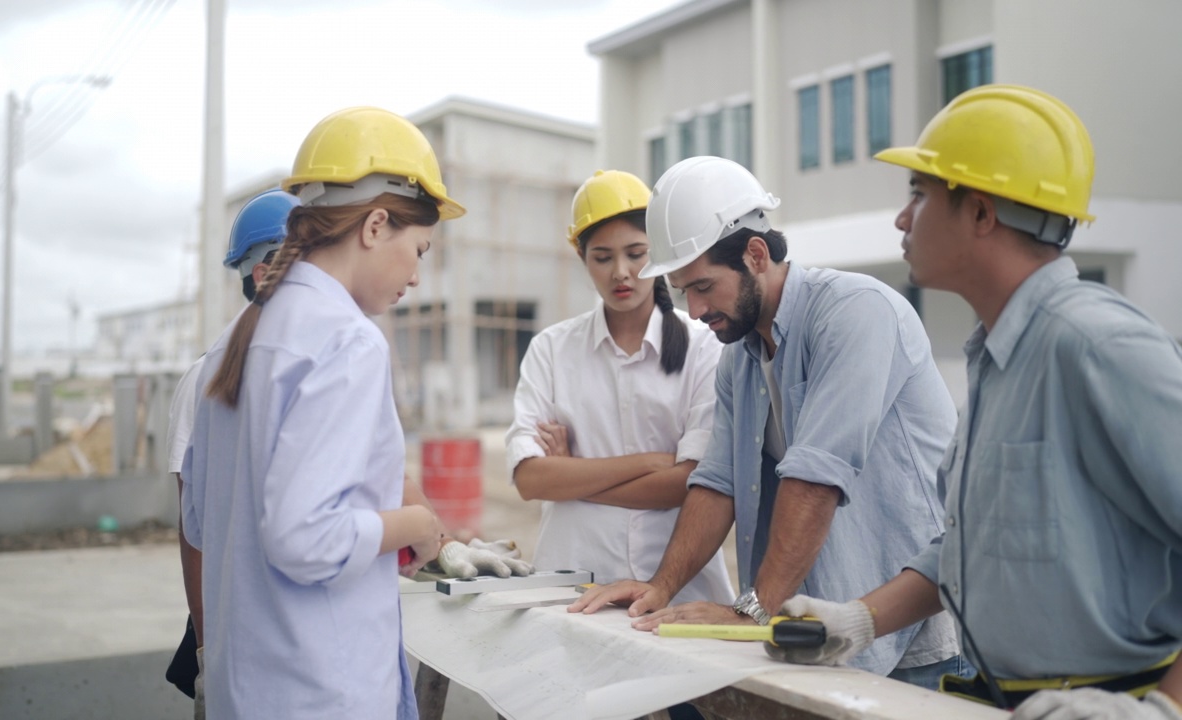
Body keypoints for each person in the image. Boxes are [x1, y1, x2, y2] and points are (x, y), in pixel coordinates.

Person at [767, 84, 1182, 718]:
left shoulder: (1096, 346)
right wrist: (857, 620)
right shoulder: (996, 358)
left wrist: (1163, 708)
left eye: (920, 194)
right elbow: (969, 551)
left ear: (982, 214)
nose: (903, 219)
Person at [572, 156, 966, 688]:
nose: (693, 309)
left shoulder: (856, 313)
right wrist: (658, 587)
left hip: (914, 646)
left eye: (704, 286)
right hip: (815, 638)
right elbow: (717, 483)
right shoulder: (741, 356)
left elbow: (816, 477)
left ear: (756, 254)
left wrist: (752, 611)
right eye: (684, 290)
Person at [180, 106, 463, 719]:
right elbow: (303, 538)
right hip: (321, 691)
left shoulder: (234, 344)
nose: (416, 276)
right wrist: (415, 525)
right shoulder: (346, 340)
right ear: (375, 225)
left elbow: (203, 522)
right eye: (419, 249)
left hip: (250, 688)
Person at [506, 169, 733, 606]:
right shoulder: (551, 350)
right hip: (572, 585)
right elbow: (530, 478)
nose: (621, 273)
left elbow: (691, 484)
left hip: (679, 589)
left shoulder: (705, 347)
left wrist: (571, 476)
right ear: (583, 259)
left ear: (659, 253)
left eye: (636, 253)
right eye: (603, 257)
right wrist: (650, 462)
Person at [164, 188, 299, 716]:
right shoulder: (206, 377)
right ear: (263, 273)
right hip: (234, 630)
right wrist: (203, 646)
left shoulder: (308, 367)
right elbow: (194, 528)